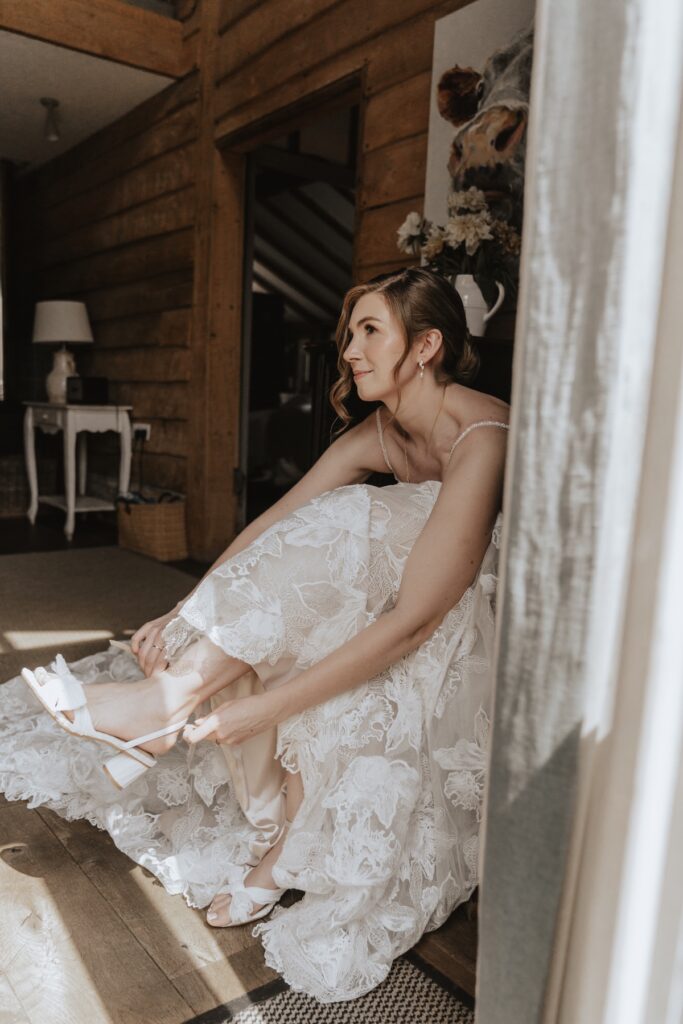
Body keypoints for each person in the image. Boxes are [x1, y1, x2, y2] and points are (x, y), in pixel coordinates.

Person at [0, 266, 510, 1003]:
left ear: (426, 345)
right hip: (401, 598)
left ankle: (195, 751)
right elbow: (278, 525)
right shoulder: (377, 432)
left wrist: (266, 709)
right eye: (350, 333)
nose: (349, 352)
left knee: (356, 526)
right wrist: (187, 611)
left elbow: (417, 620)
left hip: (459, 611)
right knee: (325, 529)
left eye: (370, 332)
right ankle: (169, 701)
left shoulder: (482, 435)